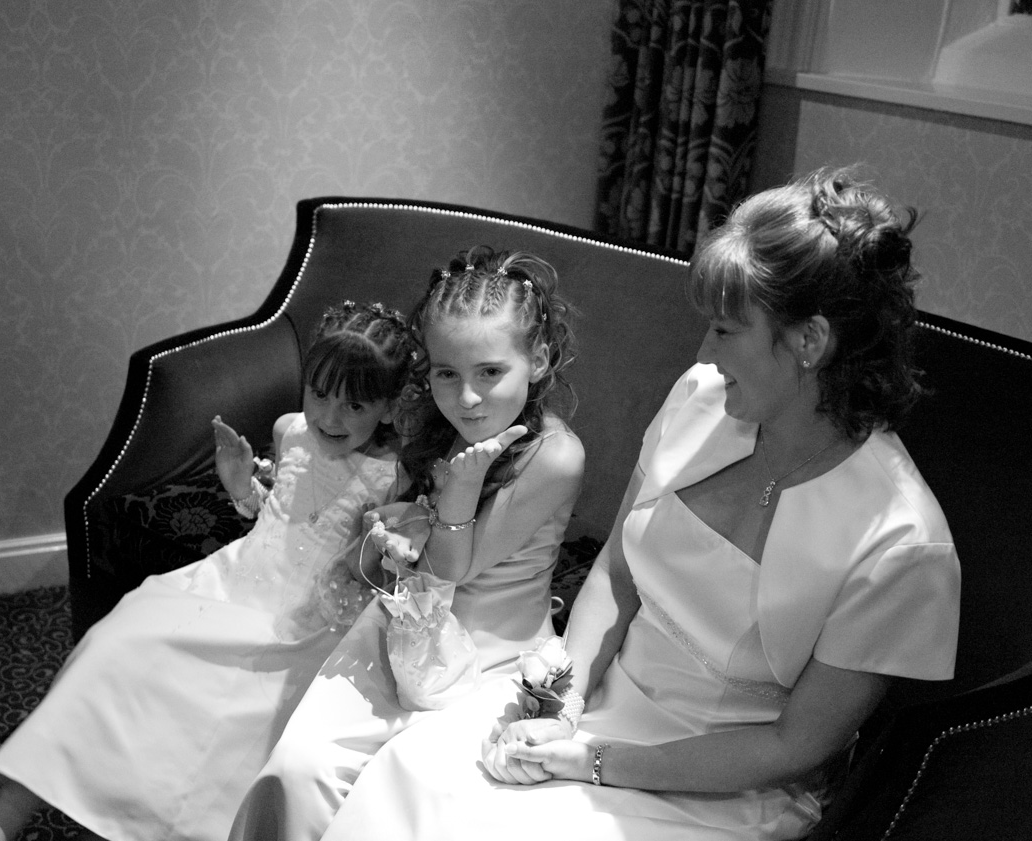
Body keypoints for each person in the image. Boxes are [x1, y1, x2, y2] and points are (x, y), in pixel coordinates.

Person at [314, 167, 962, 841]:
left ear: (809, 341)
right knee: (410, 776)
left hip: (724, 780)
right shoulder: (701, 398)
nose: (704, 351)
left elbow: (794, 746)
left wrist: (595, 761)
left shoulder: (903, 544)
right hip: (599, 700)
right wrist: (562, 704)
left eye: (725, 329)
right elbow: (617, 572)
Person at [0, 301, 414, 841]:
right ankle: (2, 820)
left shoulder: (391, 477)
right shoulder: (290, 431)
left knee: (228, 713)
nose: (329, 418)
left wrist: (373, 550)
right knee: (115, 644)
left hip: (304, 620)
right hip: (231, 581)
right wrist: (242, 484)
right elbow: (276, 512)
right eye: (319, 394)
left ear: (388, 409)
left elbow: (371, 567)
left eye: (354, 405)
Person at [231, 245, 588, 841]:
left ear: (539, 359)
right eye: (447, 373)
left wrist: (460, 489)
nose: (467, 398)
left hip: (490, 659)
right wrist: (384, 535)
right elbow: (395, 544)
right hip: (400, 628)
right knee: (297, 770)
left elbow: (451, 566)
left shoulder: (556, 455)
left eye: (490, 372)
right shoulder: (436, 427)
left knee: (396, 807)